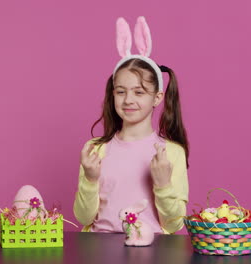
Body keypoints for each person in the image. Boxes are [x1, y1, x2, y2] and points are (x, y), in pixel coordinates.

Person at [73, 16, 189, 234]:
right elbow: (83, 216)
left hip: (152, 252)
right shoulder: (95, 149)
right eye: (120, 91)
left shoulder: (172, 152)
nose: (128, 100)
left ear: (157, 97)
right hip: (99, 250)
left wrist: (163, 184)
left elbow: (174, 225)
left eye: (139, 92)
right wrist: (90, 178)